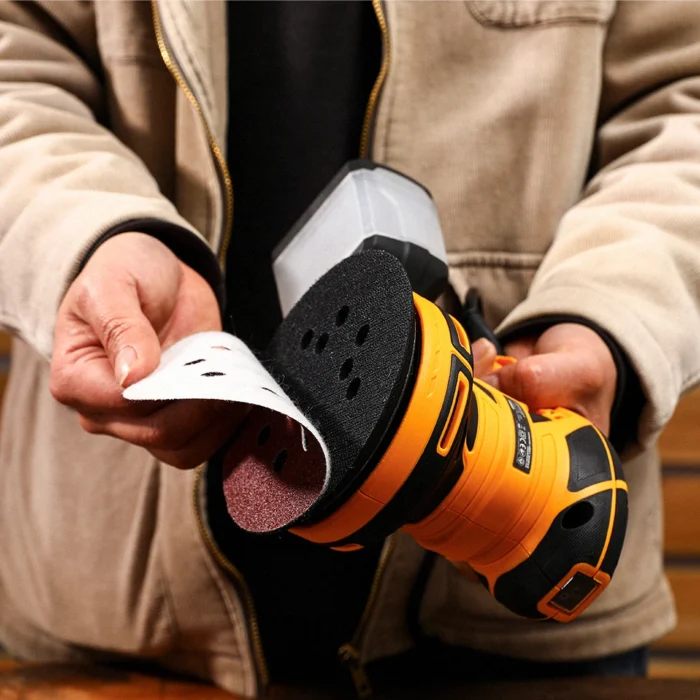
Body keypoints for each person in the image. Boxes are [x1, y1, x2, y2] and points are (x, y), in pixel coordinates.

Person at [0, 1, 697, 696]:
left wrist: (604, 314)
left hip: (514, 658)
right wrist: (95, 236)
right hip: (117, 631)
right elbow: (16, 67)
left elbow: (683, 98)